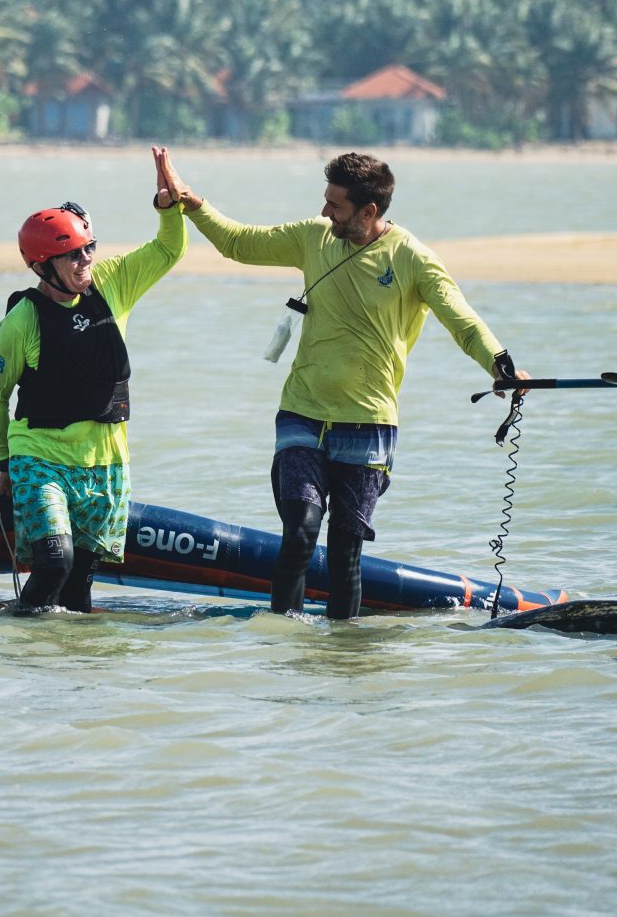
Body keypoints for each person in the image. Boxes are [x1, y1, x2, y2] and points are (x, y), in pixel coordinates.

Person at [159, 149, 529, 620]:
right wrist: (191, 202)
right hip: (302, 413)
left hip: (369, 423)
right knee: (298, 533)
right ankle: (286, 646)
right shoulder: (314, 238)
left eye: (335, 205)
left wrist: (500, 363)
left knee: (344, 554)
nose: (324, 212)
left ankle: (342, 656)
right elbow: (239, 243)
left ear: (369, 211)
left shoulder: (413, 258)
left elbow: (462, 320)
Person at [0, 148, 186, 612]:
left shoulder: (111, 285)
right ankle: (20, 644)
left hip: (106, 462)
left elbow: (169, 249)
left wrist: (167, 207)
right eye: (70, 255)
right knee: (55, 563)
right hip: (41, 459)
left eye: (88, 249)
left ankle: (72, 672)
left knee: (79, 588)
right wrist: (3, 462)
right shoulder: (22, 321)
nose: (84, 261)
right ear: (41, 265)